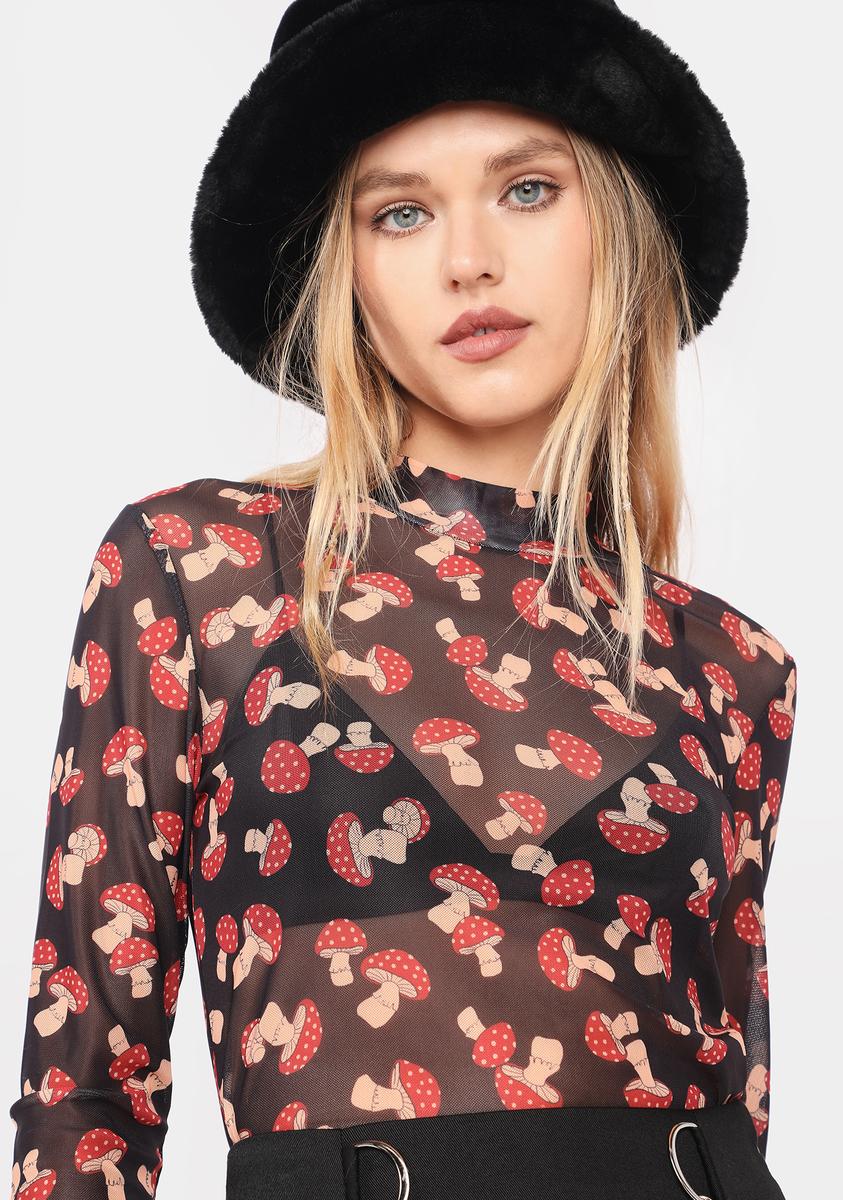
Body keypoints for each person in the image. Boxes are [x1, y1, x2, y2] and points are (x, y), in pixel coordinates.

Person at [8, 3, 798, 1199]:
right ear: (349, 274)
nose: (467, 259)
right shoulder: (200, 571)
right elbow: (83, 1106)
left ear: (618, 225)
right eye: (401, 212)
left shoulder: (731, 667)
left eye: (527, 190)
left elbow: (737, 1100)